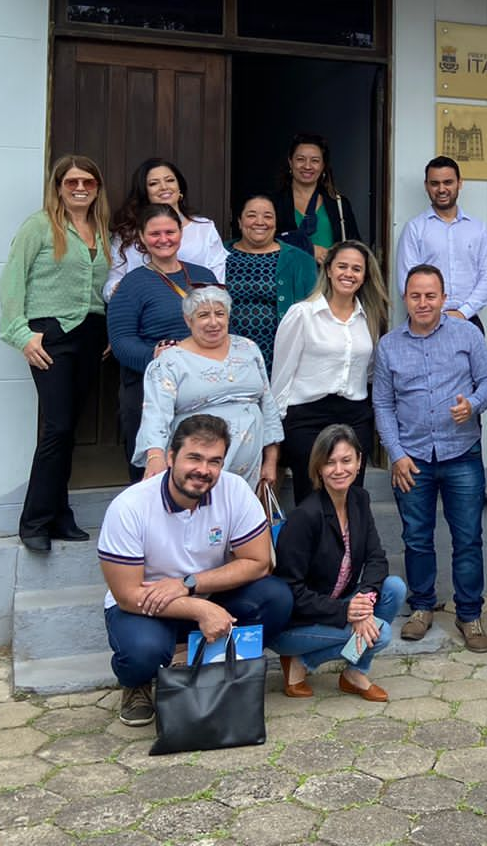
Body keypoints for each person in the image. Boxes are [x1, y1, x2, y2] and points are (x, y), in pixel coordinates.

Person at [97, 414, 293, 728]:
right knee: (141, 653)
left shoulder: (234, 491)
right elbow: (127, 595)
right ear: (171, 457)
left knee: (276, 597)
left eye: (215, 461)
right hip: (145, 607)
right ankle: (137, 684)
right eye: (194, 458)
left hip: (208, 593)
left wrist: (190, 584)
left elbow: (259, 562)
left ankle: (208, 669)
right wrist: (200, 608)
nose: (204, 470)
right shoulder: (130, 507)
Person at [374, 264, 487, 652]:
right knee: (416, 538)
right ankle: (422, 608)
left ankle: (469, 614)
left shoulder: (466, 334)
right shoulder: (389, 346)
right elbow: (382, 403)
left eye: (431, 295)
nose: (423, 302)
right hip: (413, 459)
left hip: (462, 453)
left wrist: (474, 405)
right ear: (406, 299)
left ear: (444, 298)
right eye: (416, 296)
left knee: (468, 539)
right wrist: (395, 455)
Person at [0, 154, 111, 553]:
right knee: (57, 427)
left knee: (68, 429)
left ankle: (60, 514)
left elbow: (108, 286)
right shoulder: (39, 226)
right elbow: (13, 278)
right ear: (58, 187)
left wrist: (113, 327)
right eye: (72, 183)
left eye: (88, 183)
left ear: (97, 188)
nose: (80, 189)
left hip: (92, 334)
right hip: (51, 334)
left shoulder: (102, 228)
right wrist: (20, 334)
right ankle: (35, 520)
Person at [269, 424, 405, 702]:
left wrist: (363, 603)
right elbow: (291, 591)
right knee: (381, 633)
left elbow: (376, 557)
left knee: (394, 588)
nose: (339, 469)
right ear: (318, 468)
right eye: (329, 462)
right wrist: (347, 613)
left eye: (346, 460)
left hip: (340, 604)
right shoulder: (305, 517)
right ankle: (297, 659)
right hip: (298, 622)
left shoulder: (359, 499)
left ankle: (353, 671)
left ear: (359, 462)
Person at [106, 206, 219, 481]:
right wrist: (154, 354)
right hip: (148, 390)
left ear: (181, 234)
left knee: (200, 469)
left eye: (170, 231)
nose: (164, 239)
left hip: (202, 385)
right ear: (142, 239)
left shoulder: (204, 276)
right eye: (155, 233)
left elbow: (224, 325)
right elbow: (121, 342)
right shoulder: (132, 283)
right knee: (153, 474)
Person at [270, 240, 388, 502]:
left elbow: (368, 371)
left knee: (351, 498)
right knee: (312, 500)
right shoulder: (302, 314)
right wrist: (274, 439)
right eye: (342, 266)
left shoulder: (369, 318)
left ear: (365, 275)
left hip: (354, 417)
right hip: (307, 418)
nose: (349, 273)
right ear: (329, 270)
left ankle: (348, 545)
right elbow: (281, 377)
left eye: (357, 269)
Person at [136, 286, 283, 491]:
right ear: (189, 320)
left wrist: (271, 460)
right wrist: (155, 457)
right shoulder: (169, 362)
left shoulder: (248, 348)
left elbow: (267, 403)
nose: (213, 322)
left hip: (250, 468)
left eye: (220, 314)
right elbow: (156, 413)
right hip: (198, 463)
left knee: (239, 518)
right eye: (203, 315)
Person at [395, 156, 487, 332]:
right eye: (435, 183)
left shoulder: (478, 229)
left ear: (459, 183)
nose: (442, 189)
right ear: (426, 186)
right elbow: (406, 282)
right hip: (424, 322)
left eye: (448, 182)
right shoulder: (414, 229)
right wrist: (435, 314)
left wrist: (463, 313)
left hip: (468, 321)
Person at [104, 157, 226, 299]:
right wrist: (117, 289)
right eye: (153, 183)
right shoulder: (127, 232)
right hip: (143, 308)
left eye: (170, 180)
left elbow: (218, 281)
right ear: (145, 191)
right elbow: (112, 281)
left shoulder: (204, 228)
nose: (164, 187)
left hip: (196, 310)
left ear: (179, 186)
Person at [224, 192, 318, 370]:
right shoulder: (219, 254)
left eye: (268, 216)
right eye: (251, 215)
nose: (260, 222)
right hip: (225, 352)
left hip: (279, 355)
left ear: (276, 222)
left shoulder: (300, 260)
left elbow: (314, 311)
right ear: (239, 221)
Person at [273, 132, 360, 265]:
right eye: (300, 159)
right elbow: (262, 242)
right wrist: (309, 249)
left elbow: (355, 248)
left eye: (315, 160)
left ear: (323, 165)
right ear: (290, 162)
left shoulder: (339, 204)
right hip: (287, 280)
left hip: (329, 282)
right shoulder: (273, 203)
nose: (307, 166)